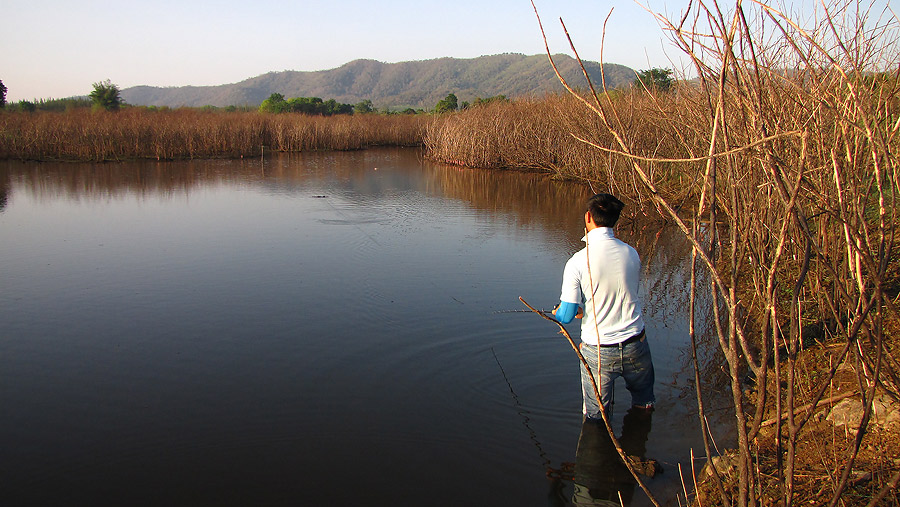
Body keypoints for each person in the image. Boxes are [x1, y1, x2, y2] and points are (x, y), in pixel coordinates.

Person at [552, 193, 655, 421]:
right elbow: (618, 295)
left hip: (599, 351)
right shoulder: (632, 253)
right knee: (644, 403)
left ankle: (597, 452)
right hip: (636, 344)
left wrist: (558, 312)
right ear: (615, 219)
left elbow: (567, 315)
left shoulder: (577, 261)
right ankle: (639, 446)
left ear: (588, 217)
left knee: (596, 416)